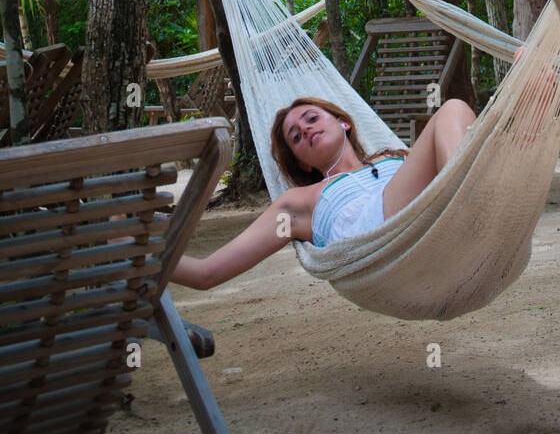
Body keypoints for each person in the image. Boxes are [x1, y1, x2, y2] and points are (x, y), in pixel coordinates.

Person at [171, 93, 476, 291]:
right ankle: (473, 206)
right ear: (301, 163)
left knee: (457, 110)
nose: (305, 130)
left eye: (312, 119)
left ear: (343, 122)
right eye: (296, 137)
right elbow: (205, 273)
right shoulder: (298, 204)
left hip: (438, 222)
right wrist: (137, 248)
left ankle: (524, 92)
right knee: (451, 109)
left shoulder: (396, 158)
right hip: (385, 240)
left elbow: (452, 161)